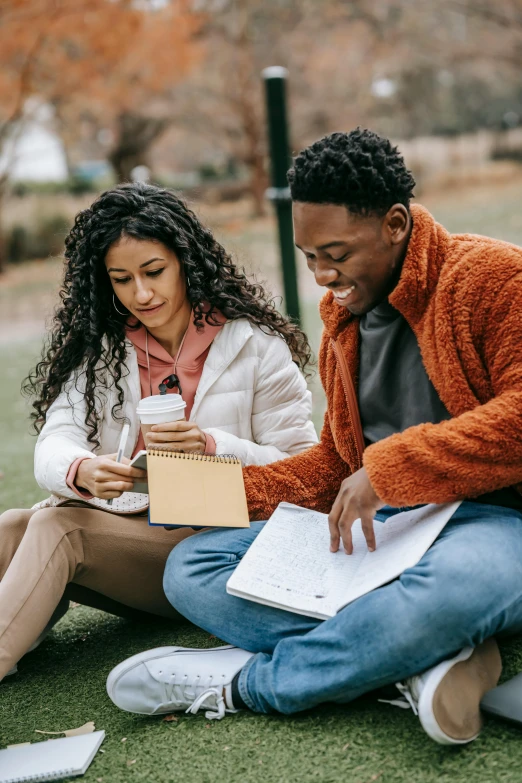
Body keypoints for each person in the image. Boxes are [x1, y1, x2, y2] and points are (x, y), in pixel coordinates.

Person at [107, 130, 522, 746]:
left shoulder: (492, 278)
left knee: (447, 595)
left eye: (337, 253)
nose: (324, 276)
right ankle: (415, 650)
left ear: (396, 223)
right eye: (309, 257)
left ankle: (250, 683)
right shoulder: (342, 322)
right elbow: (333, 463)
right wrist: (198, 488)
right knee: (191, 570)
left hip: (492, 522)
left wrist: (389, 470)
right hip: (386, 537)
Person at [0, 183, 318, 682]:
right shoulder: (101, 350)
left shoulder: (256, 346)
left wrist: (213, 446)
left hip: (217, 550)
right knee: (11, 526)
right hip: (134, 529)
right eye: (122, 279)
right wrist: (80, 470)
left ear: (186, 261)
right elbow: (54, 441)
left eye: (154, 272)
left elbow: (304, 472)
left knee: (56, 529)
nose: (141, 294)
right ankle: (23, 634)